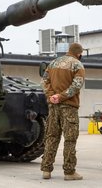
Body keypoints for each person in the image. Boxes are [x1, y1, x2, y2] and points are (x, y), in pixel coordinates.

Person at [40, 43, 85, 181]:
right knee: (70, 139)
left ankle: (46, 170)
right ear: (79, 53)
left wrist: (52, 96)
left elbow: (44, 81)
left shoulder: (53, 63)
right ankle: (69, 172)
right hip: (69, 107)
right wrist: (61, 96)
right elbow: (76, 86)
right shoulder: (77, 65)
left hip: (53, 106)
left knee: (51, 137)